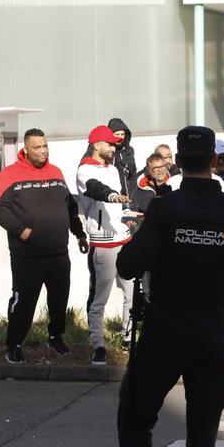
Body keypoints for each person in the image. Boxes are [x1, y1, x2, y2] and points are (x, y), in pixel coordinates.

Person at [117, 125, 224, 447]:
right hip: (213, 329)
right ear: (214, 162)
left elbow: (128, 265)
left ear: (179, 162)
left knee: (134, 418)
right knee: (203, 435)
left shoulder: (166, 208)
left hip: (166, 328)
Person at [0, 128, 88, 363]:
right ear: (26, 149)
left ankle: (55, 337)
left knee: (58, 299)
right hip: (27, 255)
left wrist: (79, 233)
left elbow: (70, 206)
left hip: (57, 253)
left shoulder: (55, 172)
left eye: (45, 146)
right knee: (23, 300)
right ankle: (13, 344)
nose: (43, 151)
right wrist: (22, 231)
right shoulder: (9, 174)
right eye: (37, 147)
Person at [76, 125, 136, 366]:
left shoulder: (114, 168)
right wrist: (114, 197)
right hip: (102, 242)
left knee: (132, 294)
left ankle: (128, 337)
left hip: (124, 238)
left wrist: (128, 213)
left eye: (115, 144)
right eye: (109, 144)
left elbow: (120, 200)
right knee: (99, 297)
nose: (114, 147)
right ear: (96, 144)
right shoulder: (84, 169)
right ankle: (98, 344)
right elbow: (96, 189)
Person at [108, 118, 138, 195]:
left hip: (128, 194)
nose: (120, 137)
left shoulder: (129, 150)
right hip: (111, 193)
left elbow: (133, 174)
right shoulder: (106, 151)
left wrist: (132, 192)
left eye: (122, 134)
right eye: (117, 134)